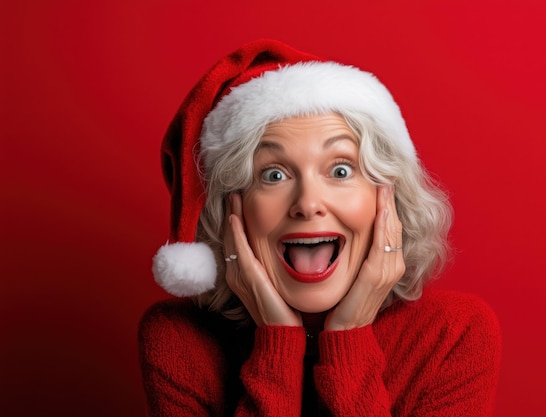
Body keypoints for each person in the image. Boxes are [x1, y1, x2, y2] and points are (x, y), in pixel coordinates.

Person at [139, 39, 501, 417]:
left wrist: (348, 340)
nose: (308, 203)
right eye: (273, 174)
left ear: (387, 199)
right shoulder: (177, 338)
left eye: (341, 170)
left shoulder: (454, 334)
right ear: (232, 207)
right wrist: (277, 345)